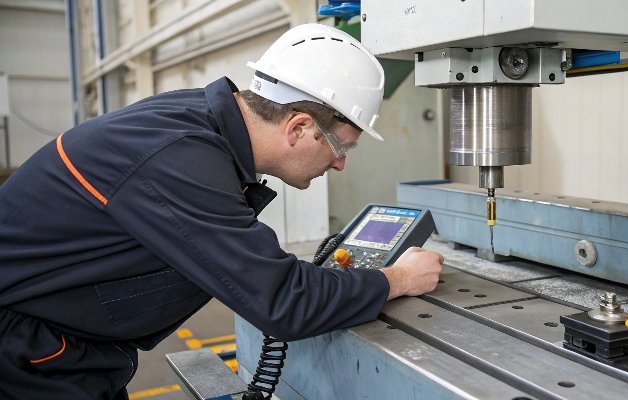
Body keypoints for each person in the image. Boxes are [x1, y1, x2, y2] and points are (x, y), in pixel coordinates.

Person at [0, 23, 443, 399]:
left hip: (64, 342)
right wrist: (398, 278)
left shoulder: (195, 124)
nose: (341, 162)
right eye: (341, 145)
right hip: (27, 355)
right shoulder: (180, 158)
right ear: (299, 127)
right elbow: (286, 302)